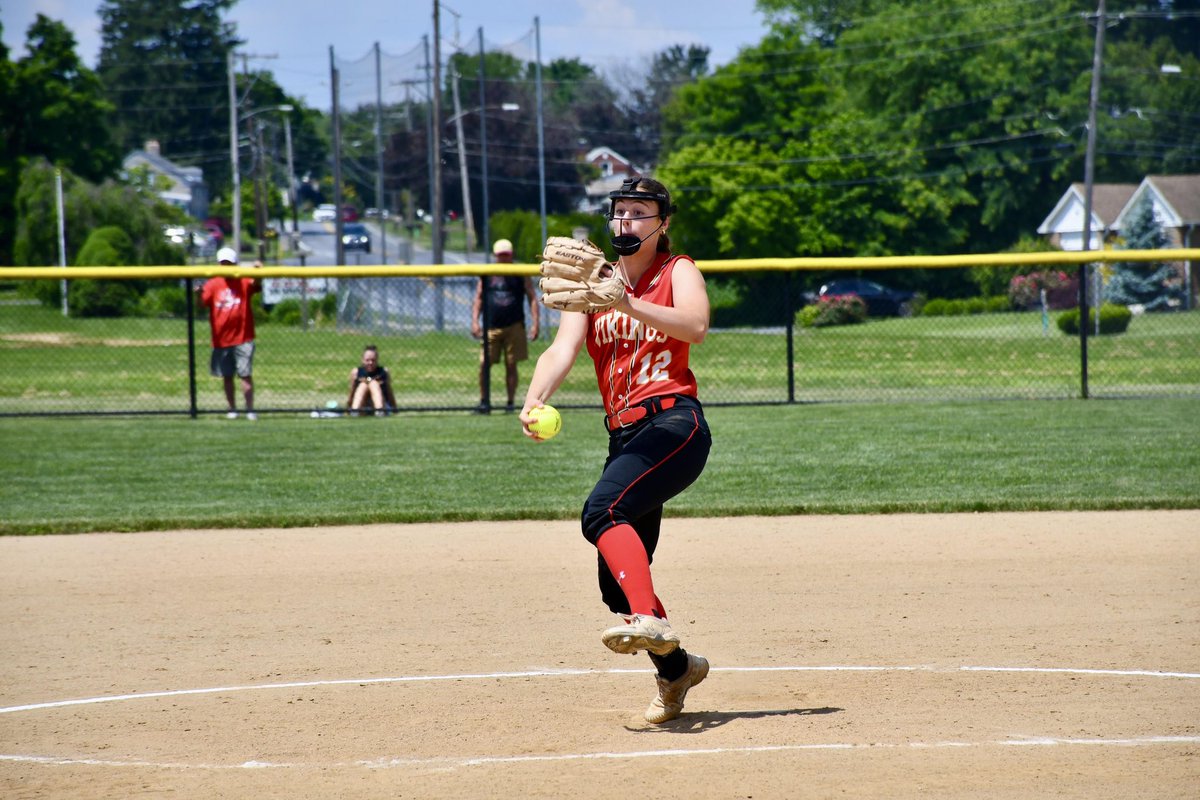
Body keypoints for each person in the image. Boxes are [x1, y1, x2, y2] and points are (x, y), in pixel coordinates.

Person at [519, 176, 713, 724]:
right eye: (619, 212)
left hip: (674, 424)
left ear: (662, 224)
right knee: (618, 591)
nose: (626, 221)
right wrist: (534, 400)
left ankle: (658, 639)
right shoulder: (590, 285)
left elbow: (695, 326)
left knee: (604, 510)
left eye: (639, 212)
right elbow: (562, 349)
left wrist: (625, 300)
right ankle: (677, 670)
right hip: (624, 435)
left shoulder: (678, 272)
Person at [471, 239, 540, 412]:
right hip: (491, 326)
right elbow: (478, 297)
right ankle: (484, 402)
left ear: (511, 255)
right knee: (484, 364)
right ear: (495, 256)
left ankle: (510, 403)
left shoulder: (520, 272)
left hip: (514, 325)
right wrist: (474, 321)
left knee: (511, 365)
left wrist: (535, 323)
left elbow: (532, 297)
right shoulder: (488, 272)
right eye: (500, 256)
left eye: (506, 255)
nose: (503, 258)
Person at [198, 247, 261, 420]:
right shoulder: (213, 284)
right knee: (227, 376)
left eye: (229, 264)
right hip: (221, 339)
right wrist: (197, 294)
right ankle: (232, 408)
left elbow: (256, 285)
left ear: (235, 264)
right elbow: (202, 303)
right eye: (223, 264)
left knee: (245, 374)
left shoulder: (243, 280)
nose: (226, 267)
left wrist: (257, 272)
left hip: (243, 337)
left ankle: (250, 410)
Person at [346, 344, 397, 415]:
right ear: (362, 360)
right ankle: (355, 411)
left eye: (373, 360)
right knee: (363, 385)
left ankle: (379, 411)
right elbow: (352, 391)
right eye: (367, 360)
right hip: (363, 405)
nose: (370, 363)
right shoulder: (356, 372)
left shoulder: (383, 371)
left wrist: (394, 407)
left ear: (377, 360)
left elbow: (389, 391)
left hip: (380, 403)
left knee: (373, 383)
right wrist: (348, 407)